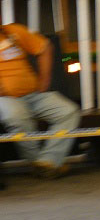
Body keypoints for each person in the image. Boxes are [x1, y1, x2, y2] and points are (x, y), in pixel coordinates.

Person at [0, 23, 80, 178]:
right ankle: (38, 163)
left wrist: (44, 80)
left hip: (34, 94)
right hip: (5, 99)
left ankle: (47, 162)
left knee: (68, 111)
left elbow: (45, 47)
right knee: (17, 116)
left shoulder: (13, 31)